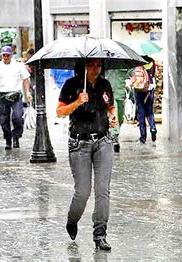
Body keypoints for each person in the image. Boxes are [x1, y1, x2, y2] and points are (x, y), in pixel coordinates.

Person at [57, 59, 117, 251]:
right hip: (79, 144)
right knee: (82, 192)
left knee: (102, 190)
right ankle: (72, 219)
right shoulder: (72, 85)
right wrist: (77, 102)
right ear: (83, 67)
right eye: (91, 65)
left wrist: (113, 116)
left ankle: (100, 235)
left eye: (98, 65)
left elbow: (111, 107)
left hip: (103, 141)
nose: (95, 69)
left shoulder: (104, 85)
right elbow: (59, 111)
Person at [0, 45, 32, 150]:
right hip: (2, 96)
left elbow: (25, 79)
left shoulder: (18, 66)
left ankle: (16, 136)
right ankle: (8, 139)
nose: (6, 57)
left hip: (16, 95)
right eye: (4, 55)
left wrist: (28, 92)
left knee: (18, 117)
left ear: (11, 55)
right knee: (3, 120)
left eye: (7, 55)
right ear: (2, 55)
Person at [126, 65, 155, 144]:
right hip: (149, 89)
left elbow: (130, 78)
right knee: (149, 112)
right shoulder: (151, 62)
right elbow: (153, 74)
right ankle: (153, 128)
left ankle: (143, 137)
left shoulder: (134, 66)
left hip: (139, 91)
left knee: (141, 113)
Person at [105, 68, 128, 152]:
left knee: (120, 117)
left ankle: (114, 134)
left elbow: (132, 74)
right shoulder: (106, 64)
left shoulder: (123, 64)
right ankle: (114, 136)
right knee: (114, 116)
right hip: (110, 94)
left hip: (120, 94)